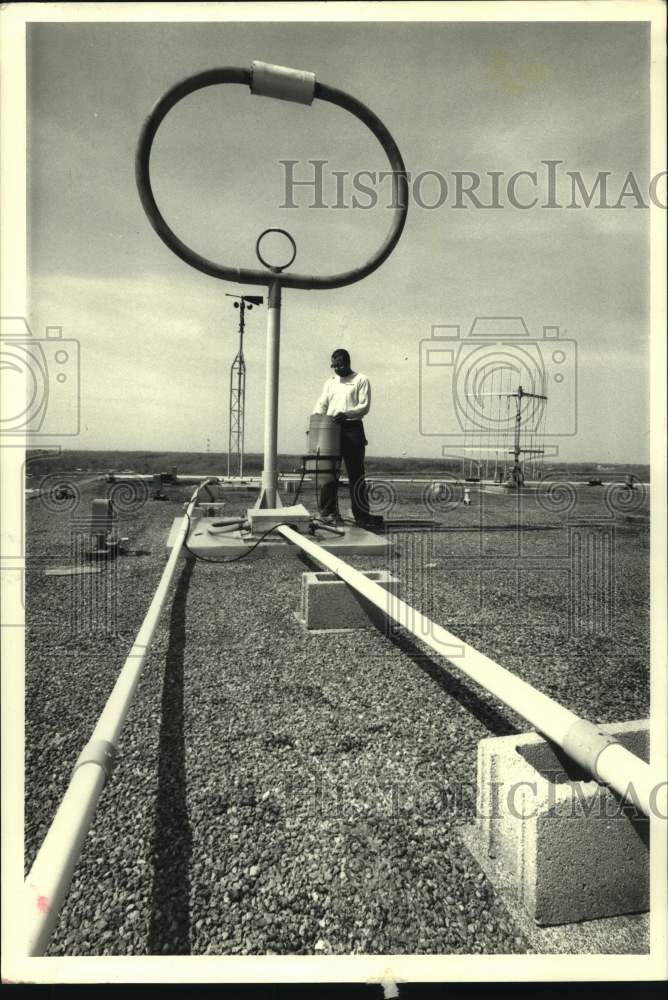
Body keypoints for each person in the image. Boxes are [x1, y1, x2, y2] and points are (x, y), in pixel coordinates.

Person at [311, 349, 382, 529]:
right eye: (333, 366)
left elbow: (364, 406)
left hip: (352, 428)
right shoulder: (330, 382)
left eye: (340, 365)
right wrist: (315, 423)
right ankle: (327, 513)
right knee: (328, 473)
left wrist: (347, 414)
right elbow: (321, 404)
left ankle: (362, 516)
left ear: (348, 362)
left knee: (356, 474)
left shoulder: (361, 380)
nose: (336, 369)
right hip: (331, 429)